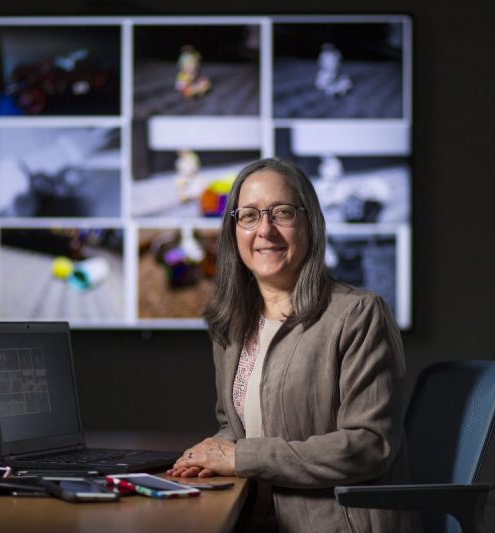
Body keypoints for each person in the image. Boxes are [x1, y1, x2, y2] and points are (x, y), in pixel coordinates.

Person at [167, 158, 417, 532]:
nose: (264, 230)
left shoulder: (359, 314)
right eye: (249, 216)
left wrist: (240, 457)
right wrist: (204, 455)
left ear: (311, 223)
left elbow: (369, 445)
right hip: (255, 519)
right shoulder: (233, 323)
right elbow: (235, 428)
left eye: (281, 212)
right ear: (234, 230)